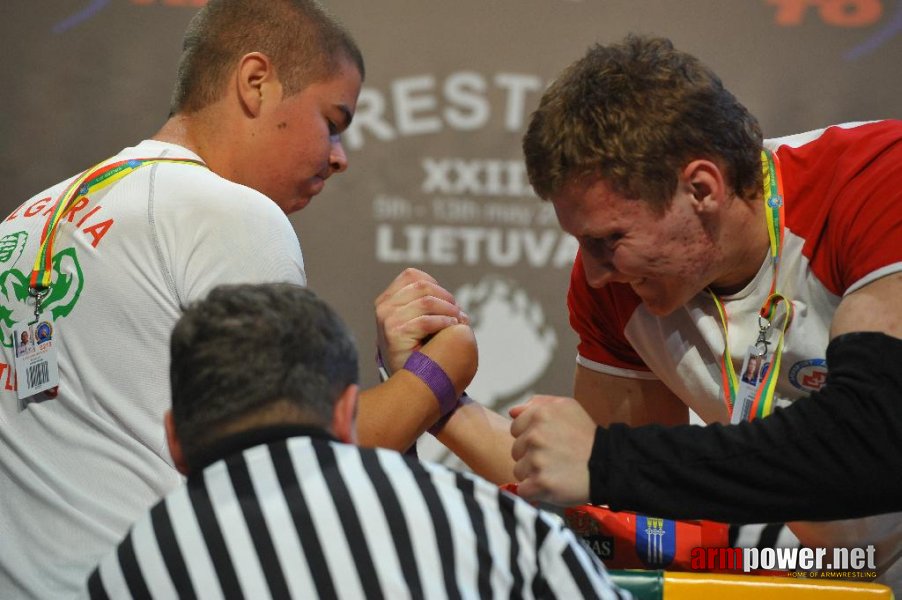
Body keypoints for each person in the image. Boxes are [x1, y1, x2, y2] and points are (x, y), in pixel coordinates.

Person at [0, 2, 497, 597]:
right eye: (332, 120)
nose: (339, 155)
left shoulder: (22, 222)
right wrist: (438, 371)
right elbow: (296, 464)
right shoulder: (225, 212)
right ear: (256, 82)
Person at [507, 34, 902, 590]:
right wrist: (442, 397)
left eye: (609, 239)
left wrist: (610, 463)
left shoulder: (878, 181)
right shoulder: (617, 285)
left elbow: (878, 445)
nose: (594, 272)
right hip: (835, 575)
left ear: (701, 188)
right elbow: (611, 498)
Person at [86, 283, 628, 600]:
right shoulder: (490, 525)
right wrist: (430, 381)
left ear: (174, 440)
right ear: (348, 415)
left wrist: (434, 390)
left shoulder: (130, 571)